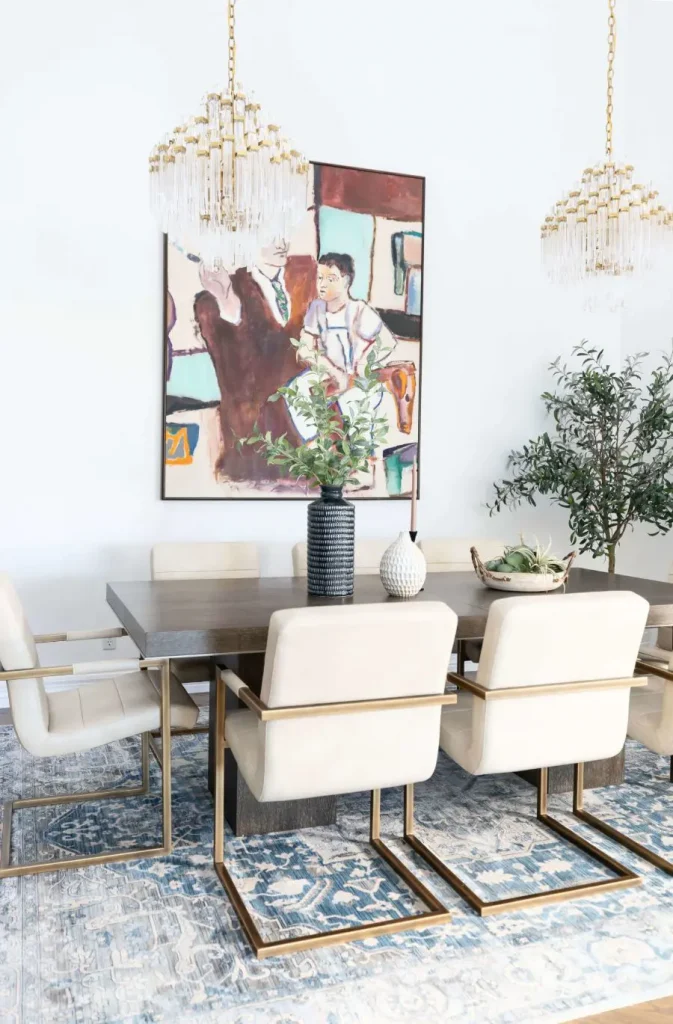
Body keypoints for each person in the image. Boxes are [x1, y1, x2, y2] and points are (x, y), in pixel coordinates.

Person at [194, 241, 315, 482]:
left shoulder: (308, 275)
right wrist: (227, 298)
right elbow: (238, 367)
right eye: (270, 235)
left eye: (283, 231)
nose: (281, 242)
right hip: (262, 440)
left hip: (313, 424)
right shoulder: (226, 292)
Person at [288, 253, 396, 441]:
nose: (322, 284)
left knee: (355, 405)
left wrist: (364, 363)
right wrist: (332, 371)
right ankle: (317, 443)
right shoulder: (317, 309)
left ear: (346, 282)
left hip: (357, 377)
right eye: (320, 278)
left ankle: (358, 450)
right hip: (328, 372)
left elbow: (387, 341)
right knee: (297, 389)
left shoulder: (358, 309)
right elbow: (304, 349)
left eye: (331, 279)